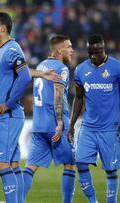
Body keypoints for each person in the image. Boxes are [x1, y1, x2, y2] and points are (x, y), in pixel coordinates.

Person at [0, 12, 60, 203]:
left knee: (1, 163)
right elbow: (24, 72)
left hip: (7, 116)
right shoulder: (2, 50)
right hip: (2, 116)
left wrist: (9, 103)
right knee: (11, 163)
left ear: (2, 29)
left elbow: (24, 77)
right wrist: (41, 74)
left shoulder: (11, 49)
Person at [67, 33, 120, 203]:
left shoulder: (117, 67)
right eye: (90, 53)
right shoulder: (81, 70)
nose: (94, 56)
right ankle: (93, 201)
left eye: (97, 52)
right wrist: (72, 124)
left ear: (104, 49)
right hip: (88, 126)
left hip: (110, 127)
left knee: (110, 170)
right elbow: (79, 98)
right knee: (80, 163)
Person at [22, 35, 75, 203]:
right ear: (59, 50)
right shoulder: (61, 68)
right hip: (55, 124)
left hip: (38, 124)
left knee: (30, 167)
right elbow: (58, 96)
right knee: (70, 163)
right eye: (69, 46)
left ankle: (17, 200)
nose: (72, 50)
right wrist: (60, 122)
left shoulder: (41, 65)